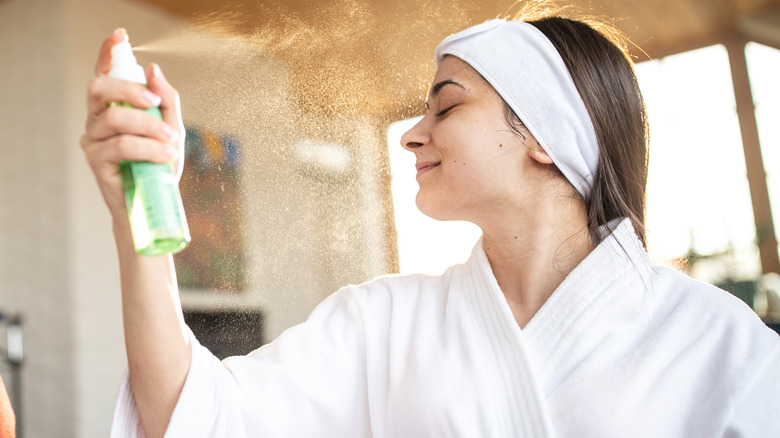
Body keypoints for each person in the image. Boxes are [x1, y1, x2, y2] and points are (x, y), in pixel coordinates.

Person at [81, 7, 780, 438]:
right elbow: (194, 419)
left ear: (545, 135)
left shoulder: (722, 347)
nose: (412, 135)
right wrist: (135, 213)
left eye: (446, 106)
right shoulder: (381, 324)